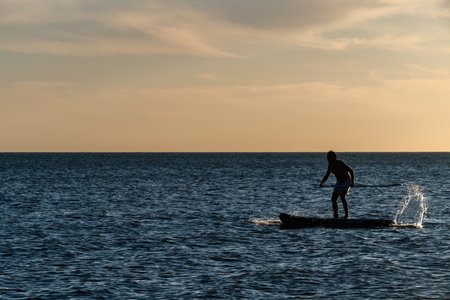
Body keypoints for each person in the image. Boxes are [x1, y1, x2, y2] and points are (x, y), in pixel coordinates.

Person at [320, 151, 355, 218]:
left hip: (346, 180)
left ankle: (346, 215)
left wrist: (352, 182)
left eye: (329, 157)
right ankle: (336, 215)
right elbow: (327, 175)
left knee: (342, 196)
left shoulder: (340, 163)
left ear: (334, 157)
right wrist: (322, 182)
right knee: (333, 199)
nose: (328, 158)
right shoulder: (330, 165)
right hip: (339, 182)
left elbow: (351, 171)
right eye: (327, 157)